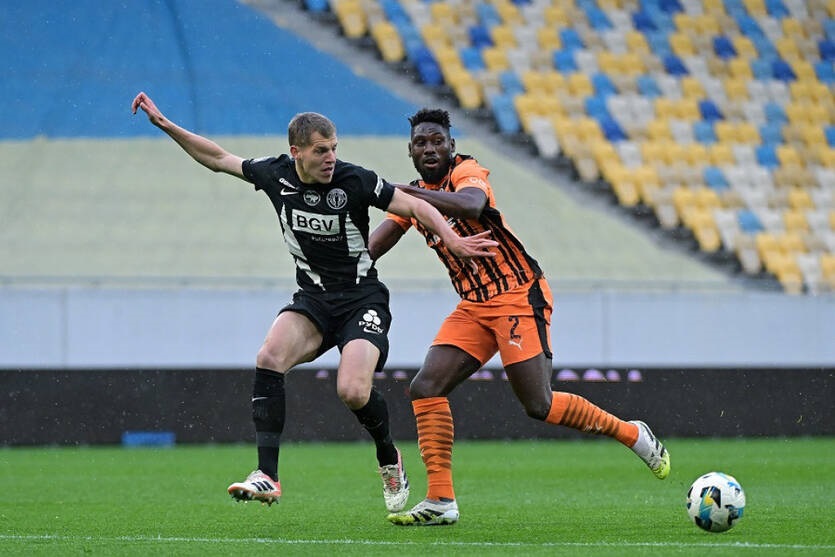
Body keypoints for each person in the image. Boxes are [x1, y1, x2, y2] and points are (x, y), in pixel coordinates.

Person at [130, 93, 498, 513]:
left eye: (334, 148)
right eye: (321, 151)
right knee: (269, 356)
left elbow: (414, 204)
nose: (330, 158)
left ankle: (388, 455)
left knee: (352, 391)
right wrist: (166, 125)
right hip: (314, 300)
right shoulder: (275, 174)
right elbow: (217, 158)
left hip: (362, 299)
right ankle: (267, 475)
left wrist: (452, 239)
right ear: (297, 153)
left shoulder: (356, 180)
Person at [369, 108, 670, 526]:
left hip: (517, 294)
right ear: (411, 151)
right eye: (421, 143)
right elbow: (374, 246)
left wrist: (396, 191)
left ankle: (632, 433)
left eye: (438, 140)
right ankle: (440, 500)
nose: (430, 148)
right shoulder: (413, 197)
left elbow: (472, 205)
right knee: (426, 387)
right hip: (474, 305)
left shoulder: (467, 172)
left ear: (452, 146)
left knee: (538, 404)